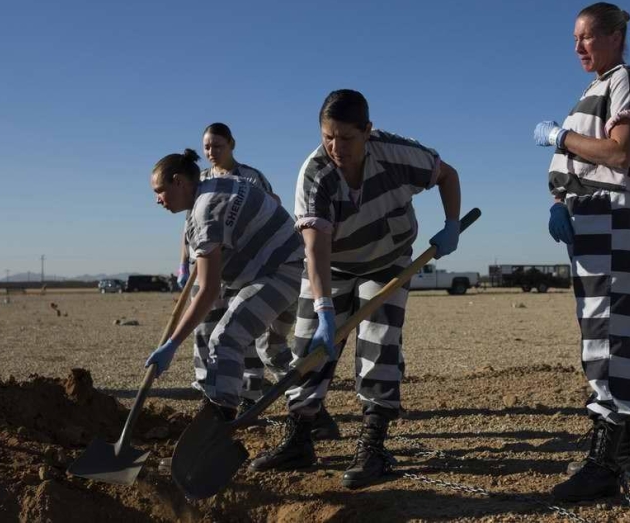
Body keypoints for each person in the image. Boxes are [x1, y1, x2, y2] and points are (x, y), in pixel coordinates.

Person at [248, 89, 462, 489]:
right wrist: (326, 310)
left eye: (346, 138)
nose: (335, 147)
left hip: (389, 260)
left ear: (368, 131)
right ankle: (299, 437)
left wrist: (451, 224)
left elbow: (447, 175)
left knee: (379, 343)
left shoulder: (398, 154)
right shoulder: (315, 175)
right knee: (309, 347)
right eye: (328, 137)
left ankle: (374, 445)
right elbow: (314, 248)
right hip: (331, 264)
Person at [533, 2, 630, 502]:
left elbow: (619, 153)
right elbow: (578, 165)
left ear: (614, 35)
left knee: (611, 334)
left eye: (587, 37)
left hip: (613, 218)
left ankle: (606, 462)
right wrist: (560, 200)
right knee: (599, 331)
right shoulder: (591, 90)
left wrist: (558, 136)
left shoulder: (624, 80)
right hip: (588, 221)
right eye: (574, 39)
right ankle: (622, 447)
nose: (578, 47)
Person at [172, 123, 337, 431]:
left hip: (262, 268)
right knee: (208, 331)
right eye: (207, 147)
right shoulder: (202, 180)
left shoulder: (249, 177)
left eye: (217, 146)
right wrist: (184, 264)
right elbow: (190, 231)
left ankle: (259, 401)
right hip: (225, 272)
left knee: (254, 341)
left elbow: (267, 210)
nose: (211, 152)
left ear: (231, 145)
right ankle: (217, 399)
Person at [145, 149, 304, 422]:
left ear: (179, 181)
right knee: (271, 347)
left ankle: (221, 419)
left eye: (160, 190)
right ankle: (313, 415)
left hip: (283, 271)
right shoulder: (219, 184)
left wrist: (172, 344)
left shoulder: (204, 214)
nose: (157, 200)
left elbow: (207, 290)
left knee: (227, 337)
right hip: (286, 264)